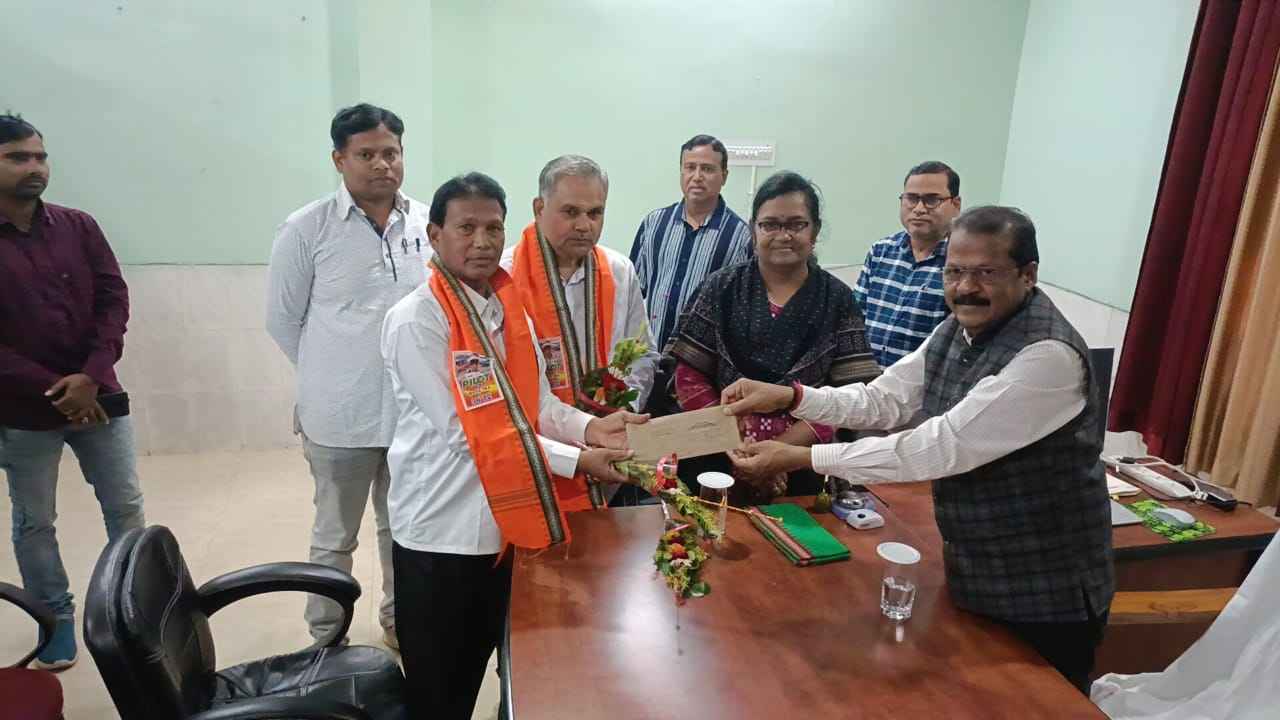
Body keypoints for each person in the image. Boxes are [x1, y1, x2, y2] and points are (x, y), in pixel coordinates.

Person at [723, 205, 1114, 694]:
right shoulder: (958, 328)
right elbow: (883, 399)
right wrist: (791, 396)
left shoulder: (1047, 356)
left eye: (986, 273)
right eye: (954, 271)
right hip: (976, 569)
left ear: (1028, 274)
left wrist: (805, 457)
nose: (966, 287)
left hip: (1047, 591)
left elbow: (939, 446)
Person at [381, 172, 645, 719]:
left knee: (517, 671)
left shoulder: (506, 308)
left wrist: (594, 428)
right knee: (441, 694)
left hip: (510, 530)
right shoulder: (416, 321)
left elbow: (539, 405)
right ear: (435, 234)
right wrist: (580, 461)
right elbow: (470, 438)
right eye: (466, 228)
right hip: (443, 537)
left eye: (493, 228)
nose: (482, 242)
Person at [266, 103, 429, 649]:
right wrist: (333, 372)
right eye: (366, 154)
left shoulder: (427, 224)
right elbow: (283, 320)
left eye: (391, 152)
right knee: (335, 535)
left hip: (411, 414)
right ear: (339, 160)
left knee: (403, 528)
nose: (382, 164)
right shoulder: (306, 228)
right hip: (338, 417)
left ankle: (401, 620)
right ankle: (326, 635)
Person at [0, 114, 144, 670]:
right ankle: (54, 619)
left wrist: (92, 374)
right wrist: (57, 388)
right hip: (23, 410)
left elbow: (113, 299)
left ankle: (131, 607)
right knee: (35, 521)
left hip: (100, 395)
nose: (34, 167)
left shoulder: (78, 226)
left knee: (125, 507)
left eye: (39, 156)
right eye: (18, 157)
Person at [665, 171, 879, 502]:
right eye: (770, 225)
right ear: (753, 230)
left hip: (801, 461)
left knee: (794, 535)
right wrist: (733, 440)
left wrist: (782, 451)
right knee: (706, 531)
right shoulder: (721, 287)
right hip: (716, 455)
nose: (783, 235)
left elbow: (848, 395)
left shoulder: (838, 300)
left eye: (796, 224)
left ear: (815, 230)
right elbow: (688, 373)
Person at [502, 155, 658, 507]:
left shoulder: (619, 271)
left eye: (595, 213)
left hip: (607, 449)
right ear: (539, 208)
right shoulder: (504, 277)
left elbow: (644, 354)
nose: (585, 225)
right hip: (536, 454)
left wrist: (621, 408)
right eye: (570, 212)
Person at [631, 134, 752, 367]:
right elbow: (633, 294)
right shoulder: (654, 224)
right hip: (648, 360)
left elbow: (740, 314)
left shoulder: (741, 236)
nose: (697, 177)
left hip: (702, 367)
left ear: (724, 176)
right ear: (681, 172)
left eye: (707, 169)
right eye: (690, 167)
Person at [854, 161, 960, 368]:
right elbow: (854, 320)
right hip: (865, 380)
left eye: (932, 200)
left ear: (956, 204)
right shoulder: (880, 252)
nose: (919, 209)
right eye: (911, 198)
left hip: (921, 384)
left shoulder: (961, 264)